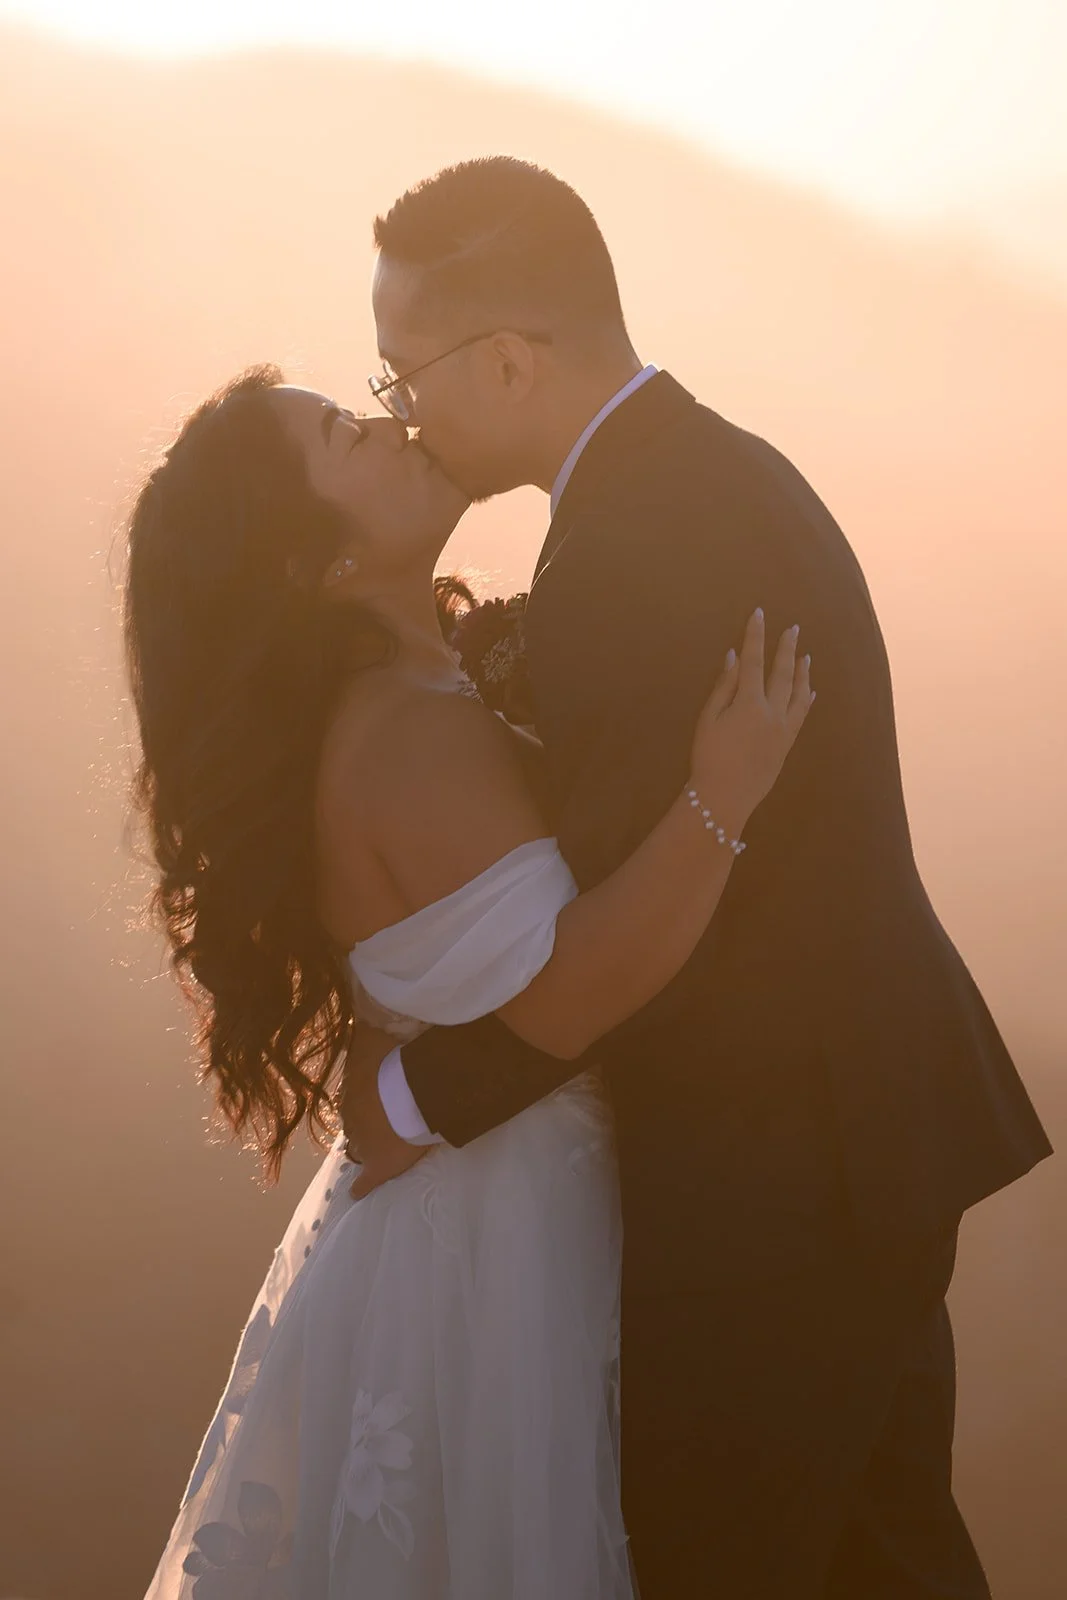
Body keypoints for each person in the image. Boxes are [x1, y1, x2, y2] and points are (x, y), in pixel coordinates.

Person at [339, 156, 1053, 1597]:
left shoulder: (637, 548)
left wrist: (414, 1099)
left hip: (770, 1200)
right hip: (853, 1153)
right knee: (885, 1563)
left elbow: (623, 938)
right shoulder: (707, 473)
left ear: (507, 361)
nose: (395, 413)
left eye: (399, 376)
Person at [128, 363, 813, 1599]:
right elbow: (565, 997)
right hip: (499, 1243)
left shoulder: (424, 685)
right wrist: (726, 791)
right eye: (347, 434)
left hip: (470, 1198)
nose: (391, 425)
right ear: (315, 565)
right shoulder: (400, 733)